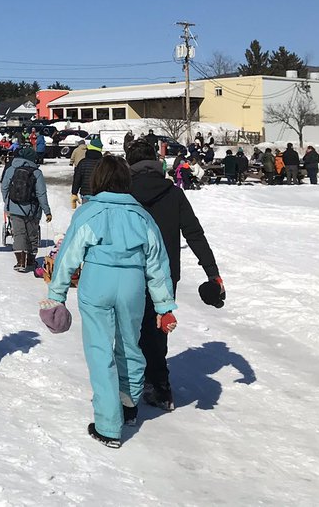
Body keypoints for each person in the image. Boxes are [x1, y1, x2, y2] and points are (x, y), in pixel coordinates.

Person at [44, 154, 177, 448]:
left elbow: (68, 256)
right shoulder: (142, 216)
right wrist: (164, 306)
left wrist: (57, 295)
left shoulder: (89, 212)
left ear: (99, 180)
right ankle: (129, 405)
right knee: (130, 344)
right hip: (132, 285)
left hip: (97, 283)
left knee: (100, 350)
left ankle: (107, 425)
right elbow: (157, 263)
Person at [126, 140, 220, 412]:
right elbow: (194, 234)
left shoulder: (123, 193)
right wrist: (212, 272)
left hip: (129, 270)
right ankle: (160, 386)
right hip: (166, 273)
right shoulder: (173, 193)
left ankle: (132, 383)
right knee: (158, 329)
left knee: (130, 327)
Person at [0, 145, 51, 272]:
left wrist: (8, 202)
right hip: (32, 210)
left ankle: (20, 262)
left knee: (19, 234)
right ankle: (31, 260)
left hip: (14, 207)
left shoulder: (11, 169)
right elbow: (41, 193)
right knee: (32, 234)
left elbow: (4, 187)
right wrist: (47, 211)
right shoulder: (37, 172)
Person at [71, 136, 103, 208]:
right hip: (100, 194)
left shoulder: (82, 162)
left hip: (85, 194)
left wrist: (74, 193)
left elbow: (77, 179)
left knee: (86, 211)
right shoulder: (103, 163)